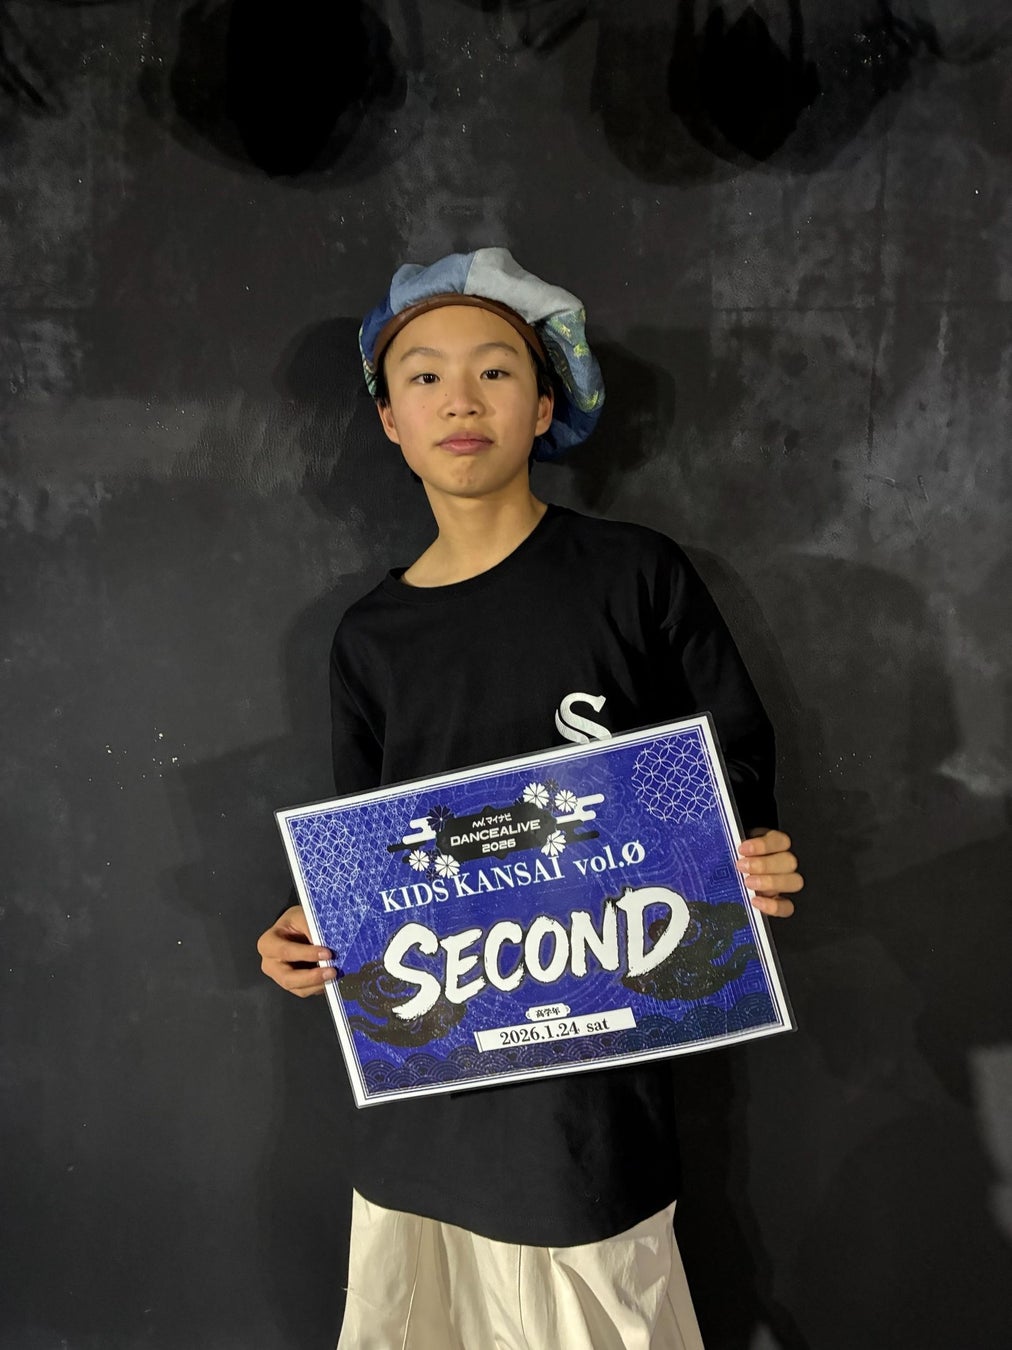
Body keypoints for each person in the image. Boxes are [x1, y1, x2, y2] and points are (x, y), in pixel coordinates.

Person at [257, 247, 803, 1349]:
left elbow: (729, 758)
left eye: (495, 371)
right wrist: (313, 933)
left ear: (545, 405)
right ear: (389, 421)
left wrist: (740, 847)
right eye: (424, 375)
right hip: (434, 1086)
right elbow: (367, 852)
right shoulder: (369, 639)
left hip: (592, 1071)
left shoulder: (632, 574)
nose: (461, 398)